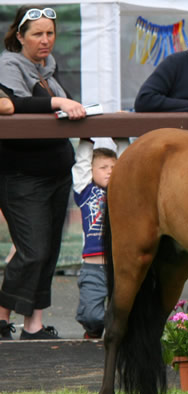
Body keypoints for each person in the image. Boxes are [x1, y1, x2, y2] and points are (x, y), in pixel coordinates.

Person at [0, 6, 87, 340]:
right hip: (22, 173)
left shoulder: (48, 69)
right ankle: (2, 314)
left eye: (50, 33)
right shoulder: (9, 65)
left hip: (56, 171)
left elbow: (63, 110)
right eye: (37, 33)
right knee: (32, 250)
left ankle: (33, 323)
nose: (45, 40)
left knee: (48, 251)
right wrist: (59, 104)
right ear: (20, 36)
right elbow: (15, 106)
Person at [72, 138, 126, 339]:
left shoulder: (124, 192)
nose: (110, 171)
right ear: (92, 171)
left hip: (118, 266)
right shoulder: (85, 192)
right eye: (103, 167)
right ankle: (94, 331)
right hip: (93, 267)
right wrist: (86, 140)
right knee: (91, 316)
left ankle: (116, 336)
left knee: (124, 313)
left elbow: (128, 164)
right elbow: (82, 166)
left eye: (113, 166)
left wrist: (121, 139)